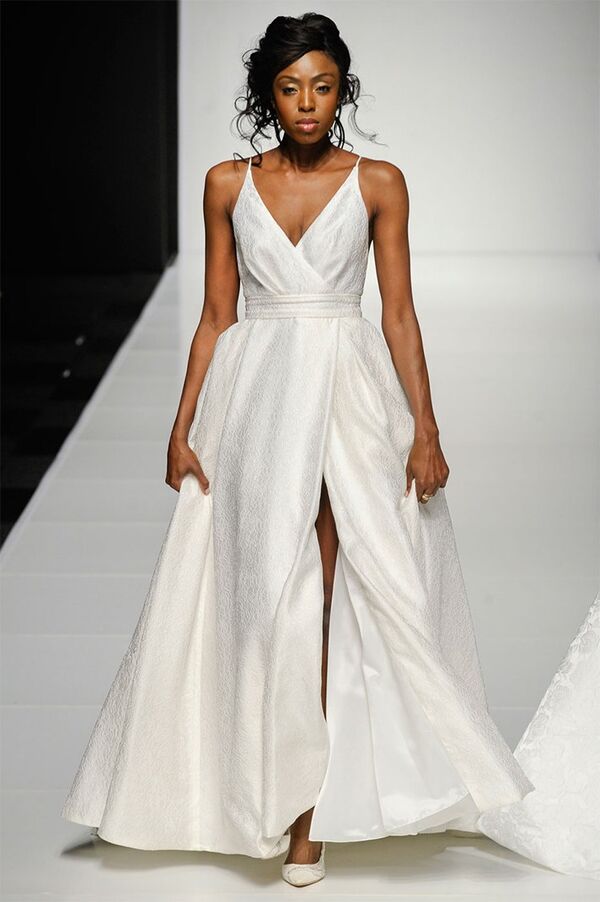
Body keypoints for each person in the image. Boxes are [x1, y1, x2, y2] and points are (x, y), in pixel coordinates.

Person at [61, 12, 534, 888]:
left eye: (322, 85)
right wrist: (181, 425)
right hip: (260, 401)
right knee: (266, 593)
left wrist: (427, 430)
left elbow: (398, 313)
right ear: (266, 95)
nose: (308, 102)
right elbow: (216, 315)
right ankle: (263, 792)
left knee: (336, 590)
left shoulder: (379, 182)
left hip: (349, 395)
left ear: (342, 90)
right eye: (290, 87)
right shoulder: (226, 184)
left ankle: (307, 817)